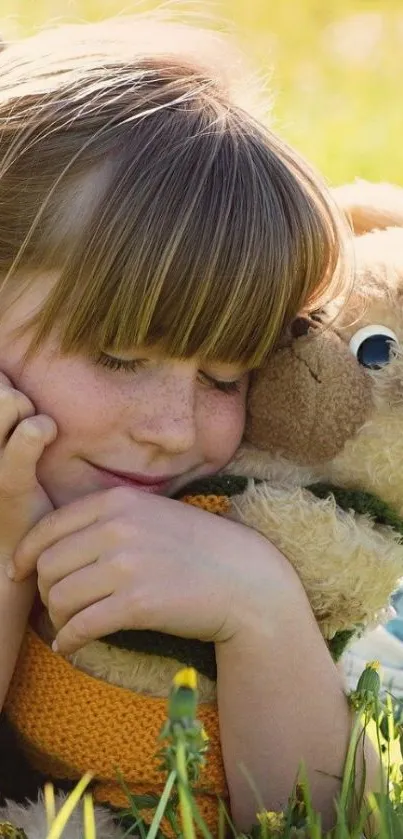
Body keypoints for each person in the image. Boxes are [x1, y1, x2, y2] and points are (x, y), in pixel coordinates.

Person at [0, 13, 379, 832]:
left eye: (223, 376)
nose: (172, 429)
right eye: (117, 357)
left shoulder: (258, 514)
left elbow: (324, 819)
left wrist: (262, 613)